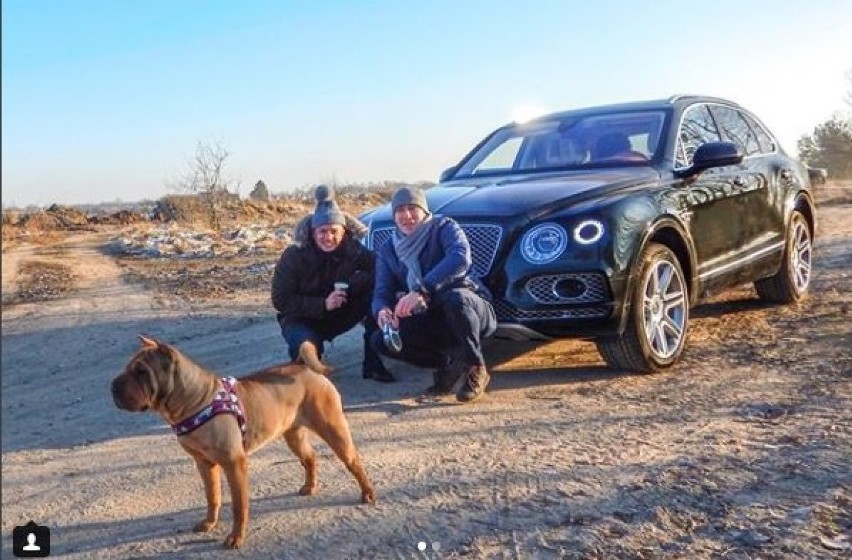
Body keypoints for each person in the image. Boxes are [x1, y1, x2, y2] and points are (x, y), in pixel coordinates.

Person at [370, 186, 497, 402]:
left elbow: (459, 259)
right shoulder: (388, 248)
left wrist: (421, 290)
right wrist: (382, 311)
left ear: (424, 211)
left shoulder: (444, 227)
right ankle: (450, 364)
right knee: (380, 340)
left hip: (471, 307)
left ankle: (475, 367)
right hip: (429, 315)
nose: (406, 215)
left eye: (413, 208)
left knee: (455, 298)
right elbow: (382, 290)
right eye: (400, 210)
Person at [271, 185, 394, 382]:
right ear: (313, 232)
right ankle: (305, 384)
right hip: (300, 318)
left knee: (376, 297)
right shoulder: (293, 256)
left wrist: (353, 283)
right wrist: (322, 304)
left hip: (340, 313)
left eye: (334, 231)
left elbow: (382, 268)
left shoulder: (353, 250)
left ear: (344, 231)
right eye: (322, 231)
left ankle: (373, 364)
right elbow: (280, 300)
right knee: (305, 350)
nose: (328, 237)